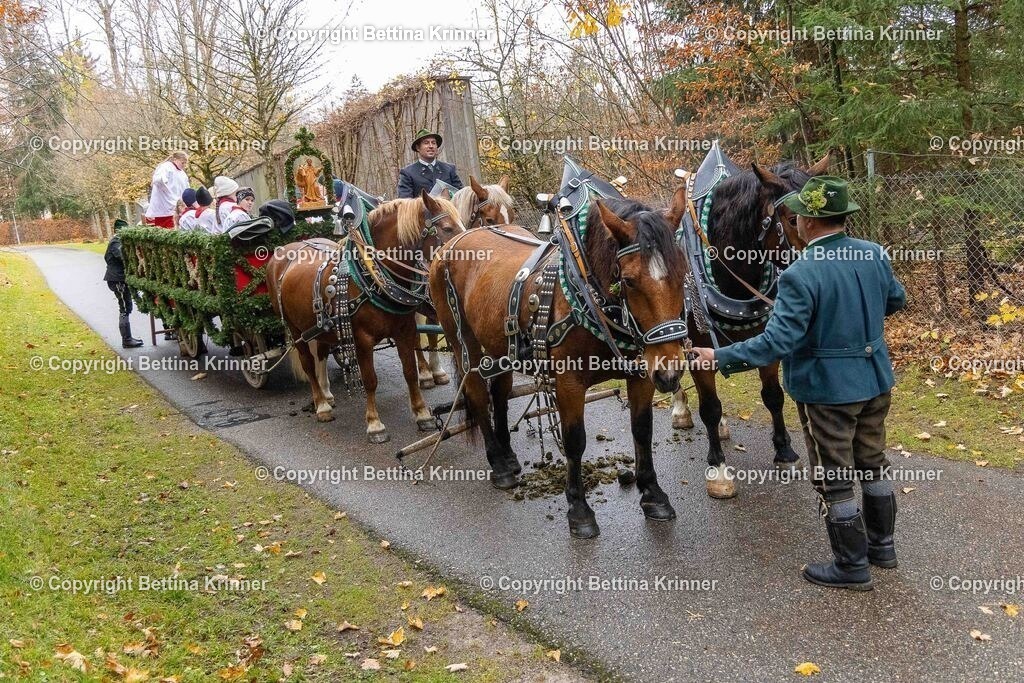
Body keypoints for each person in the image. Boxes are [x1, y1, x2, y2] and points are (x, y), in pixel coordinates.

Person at [689, 176, 907, 592]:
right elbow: (897, 300)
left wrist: (718, 356)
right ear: (844, 217)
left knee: (835, 475)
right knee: (874, 462)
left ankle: (850, 566)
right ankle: (883, 548)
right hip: (876, 380)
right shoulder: (874, 254)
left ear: (807, 221)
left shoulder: (800, 274)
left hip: (827, 392)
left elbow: (777, 342)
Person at [104, 219, 143, 348]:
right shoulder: (116, 241)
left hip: (120, 278)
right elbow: (122, 256)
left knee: (127, 306)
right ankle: (126, 340)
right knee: (124, 308)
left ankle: (128, 338)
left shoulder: (118, 241)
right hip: (117, 279)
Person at [397, 128, 463, 198]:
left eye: (433, 143)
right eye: (426, 143)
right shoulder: (408, 173)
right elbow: (405, 202)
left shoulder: (449, 169)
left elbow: (461, 196)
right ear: (418, 148)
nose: (431, 146)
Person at [144, 151, 189, 228]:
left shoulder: (182, 173)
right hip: (165, 205)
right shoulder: (165, 167)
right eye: (182, 163)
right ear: (175, 159)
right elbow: (158, 180)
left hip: (177, 205)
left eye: (185, 163)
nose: (184, 165)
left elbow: (186, 187)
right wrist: (167, 190)